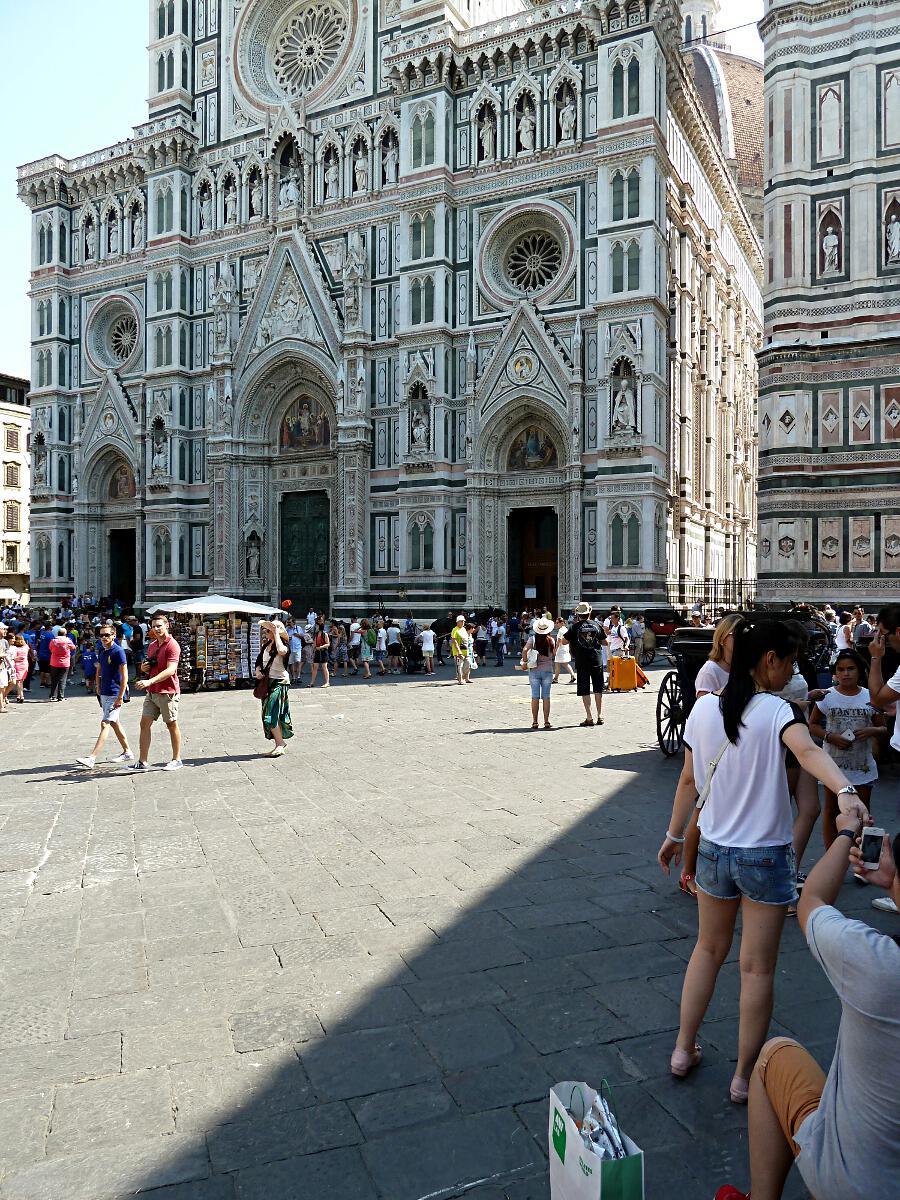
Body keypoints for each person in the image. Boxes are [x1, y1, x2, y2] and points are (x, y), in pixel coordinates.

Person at [658, 618, 859, 1106]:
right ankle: (744, 1077)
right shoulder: (776, 711)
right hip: (764, 856)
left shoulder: (704, 709)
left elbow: (688, 781)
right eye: (789, 661)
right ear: (769, 660)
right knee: (755, 969)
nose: (791, 670)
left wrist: (671, 835)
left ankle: (683, 1050)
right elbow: (808, 752)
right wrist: (847, 791)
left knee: (707, 950)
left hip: (712, 850)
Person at [713, 816, 900, 1200]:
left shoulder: (879, 964)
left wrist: (847, 832)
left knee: (774, 1056)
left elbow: (810, 900)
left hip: (853, 1182)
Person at [678, 613, 744, 897]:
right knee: (700, 811)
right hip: (713, 748)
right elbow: (704, 709)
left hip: (736, 745)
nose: (741, 641)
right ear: (724, 638)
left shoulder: (741, 667)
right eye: (736, 635)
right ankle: (688, 874)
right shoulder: (711, 670)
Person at [809, 649, 884, 849]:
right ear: (835, 672)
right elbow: (812, 725)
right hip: (833, 767)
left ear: (859, 671)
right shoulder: (827, 696)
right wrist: (829, 736)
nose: (846, 673)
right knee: (832, 811)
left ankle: (864, 860)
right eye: (840, 669)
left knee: (863, 814)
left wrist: (871, 730)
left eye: (851, 668)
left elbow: (883, 727)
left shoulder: (870, 697)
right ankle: (831, 855)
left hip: (863, 766)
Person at [129, 614, 183, 771]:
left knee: (171, 724)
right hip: (152, 692)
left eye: (159, 625)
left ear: (167, 626)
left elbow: (171, 670)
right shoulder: (153, 645)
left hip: (168, 692)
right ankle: (142, 761)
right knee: (144, 724)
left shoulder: (173, 645)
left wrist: (150, 681)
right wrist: (144, 669)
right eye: (154, 626)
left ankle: (176, 759)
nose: (156, 628)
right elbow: (150, 664)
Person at [76, 624, 134, 769]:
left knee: (105, 723)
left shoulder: (118, 651)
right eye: (101, 635)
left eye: (107, 635)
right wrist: (97, 685)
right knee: (114, 722)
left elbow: (125, 675)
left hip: (115, 693)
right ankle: (127, 752)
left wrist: (120, 696)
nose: (104, 637)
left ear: (113, 635)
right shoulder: (102, 651)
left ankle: (92, 758)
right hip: (105, 692)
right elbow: (99, 669)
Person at [255, 619, 293, 756]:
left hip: (280, 682)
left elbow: (282, 651)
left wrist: (277, 633)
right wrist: (258, 671)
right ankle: (279, 743)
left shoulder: (283, 645)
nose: (266, 632)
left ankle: (280, 744)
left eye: (268, 630)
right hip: (267, 682)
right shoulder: (266, 645)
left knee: (270, 713)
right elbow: (259, 661)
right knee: (267, 713)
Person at [565, 602, 606, 726]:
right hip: (596, 660)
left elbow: (563, 641)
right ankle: (600, 716)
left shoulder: (574, 627)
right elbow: (605, 643)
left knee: (585, 690)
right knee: (598, 688)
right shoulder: (597, 625)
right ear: (589, 613)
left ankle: (589, 717)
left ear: (578, 614)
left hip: (582, 661)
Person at [521, 616, 555, 729]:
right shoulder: (551, 640)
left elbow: (525, 650)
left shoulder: (532, 639)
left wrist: (525, 661)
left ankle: (535, 721)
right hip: (548, 671)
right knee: (546, 696)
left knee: (535, 696)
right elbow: (553, 654)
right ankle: (546, 721)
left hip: (534, 670)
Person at [48, 626, 76, 701]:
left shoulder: (53, 641)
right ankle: (60, 696)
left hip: (54, 662)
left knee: (54, 679)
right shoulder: (68, 641)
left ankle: (52, 695)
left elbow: (50, 648)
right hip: (65, 663)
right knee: (62, 679)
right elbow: (73, 647)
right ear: (65, 633)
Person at [552, 616, 575, 684]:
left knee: (557, 664)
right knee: (565, 664)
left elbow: (558, 641)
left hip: (560, 649)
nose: (556, 624)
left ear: (561, 623)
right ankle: (572, 675)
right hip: (566, 648)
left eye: (557, 623)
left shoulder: (560, 630)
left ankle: (556, 678)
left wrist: (555, 650)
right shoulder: (566, 629)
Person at [309, 619, 330, 688]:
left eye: (316, 625)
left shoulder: (325, 634)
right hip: (317, 652)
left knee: (324, 667)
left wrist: (321, 647)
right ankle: (312, 682)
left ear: (319, 626)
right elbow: (314, 643)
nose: (315, 626)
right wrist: (312, 650)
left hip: (324, 652)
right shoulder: (316, 634)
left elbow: (328, 644)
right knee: (315, 667)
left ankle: (327, 682)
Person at [450, 614, 471, 684]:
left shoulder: (464, 629)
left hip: (466, 650)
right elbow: (454, 641)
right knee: (459, 666)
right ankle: (460, 680)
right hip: (458, 652)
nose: (463, 622)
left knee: (468, 664)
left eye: (463, 621)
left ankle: (466, 678)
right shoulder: (454, 630)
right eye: (461, 621)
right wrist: (458, 651)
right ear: (457, 622)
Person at [37, 621, 54, 688]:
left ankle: (42, 682)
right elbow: (52, 645)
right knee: (47, 669)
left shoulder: (43, 634)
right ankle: (48, 682)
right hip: (48, 654)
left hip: (41, 653)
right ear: (50, 627)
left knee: (42, 669)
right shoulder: (50, 635)